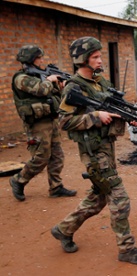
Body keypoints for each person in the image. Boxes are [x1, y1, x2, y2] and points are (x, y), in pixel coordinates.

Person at [50, 36, 137, 265]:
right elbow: (64, 122)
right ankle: (126, 248)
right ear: (82, 59)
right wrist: (95, 116)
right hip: (93, 153)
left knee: (98, 199)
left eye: (99, 56)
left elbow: (112, 110)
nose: (99, 60)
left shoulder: (99, 82)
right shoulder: (74, 88)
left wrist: (127, 119)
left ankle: (63, 229)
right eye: (95, 57)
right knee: (119, 197)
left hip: (106, 149)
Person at [9, 45, 77, 201]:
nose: (42, 61)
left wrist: (60, 86)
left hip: (50, 119)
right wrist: (50, 80)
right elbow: (41, 90)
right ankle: (18, 180)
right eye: (39, 58)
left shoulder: (41, 76)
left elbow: (54, 95)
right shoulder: (21, 78)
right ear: (31, 60)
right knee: (41, 157)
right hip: (37, 123)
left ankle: (56, 187)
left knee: (57, 155)